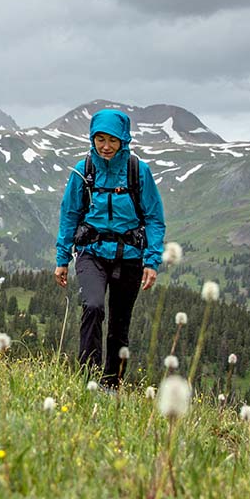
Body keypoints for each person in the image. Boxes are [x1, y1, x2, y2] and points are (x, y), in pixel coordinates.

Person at [54, 108, 165, 389]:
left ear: (124, 140)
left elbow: (154, 217)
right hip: (91, 253)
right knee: (92, 307)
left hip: (130, 257)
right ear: (92, 139)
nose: (106, 146)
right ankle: (87, 380)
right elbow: (69, 215)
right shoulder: (83, 171)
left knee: (119, 324)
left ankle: (111, 385)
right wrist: (62, 258)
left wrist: (151, 261)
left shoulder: (138, 171)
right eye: (100, 139)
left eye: (112, 140)